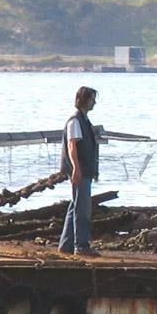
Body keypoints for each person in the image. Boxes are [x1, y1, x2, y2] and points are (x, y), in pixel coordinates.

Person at [59, 86, 100, 257]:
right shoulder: (75, 121)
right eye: (92, 99)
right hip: (80, 170)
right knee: (82, 209)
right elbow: (72, 145)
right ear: (84, 100)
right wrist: (76, 168)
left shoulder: (83, 119)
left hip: (85, 169)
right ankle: (81, 246)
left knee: (75, 205)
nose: (94, 103)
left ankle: (66, 244)